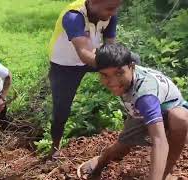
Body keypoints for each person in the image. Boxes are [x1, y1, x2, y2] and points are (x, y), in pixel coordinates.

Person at [78, 43, 188, 180]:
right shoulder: (128, 67)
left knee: (180, 118)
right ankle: (98, 166)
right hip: (138, 112)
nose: (112, 81)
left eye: (119, 73)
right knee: (121, 147)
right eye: (105, 75)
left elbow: (159, 141)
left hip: (166, 109)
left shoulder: (145, 96)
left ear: (132, 67)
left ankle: (165, 173)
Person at [48, 0, 122, 157]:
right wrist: (113, 67)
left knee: (130, 61)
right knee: (61, 109)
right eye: (110, 8)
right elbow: (83, 54)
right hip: (64, 66)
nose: (114, 12)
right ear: (94, 2)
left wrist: (121, 66)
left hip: (93, 55)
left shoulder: (110, 15)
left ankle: (137, 113)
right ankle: (55, 147)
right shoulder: (73, 16)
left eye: (116, 8)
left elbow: (110, 47)